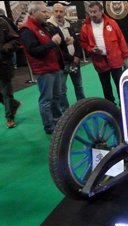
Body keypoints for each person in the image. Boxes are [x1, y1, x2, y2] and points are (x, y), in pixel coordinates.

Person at [20, 1, 64, 134]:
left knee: (57, 97)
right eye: (44, 12)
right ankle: (49, 126)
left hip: (54, 67)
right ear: (34, 12)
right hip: (44, 70)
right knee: (46, 99)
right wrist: (52, 43)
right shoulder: (27, 29)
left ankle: (58, 121)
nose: (47, 14)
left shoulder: (44, 26)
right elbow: (34, 51)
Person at [79, 1, 128, 106]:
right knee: (106, 86)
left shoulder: (112, 23)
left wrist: (125, 57)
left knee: (120, 84)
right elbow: (83, 42)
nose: (92, 14)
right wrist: (91, 49)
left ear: (101, 11)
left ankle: (124, 105)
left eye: (95, 12)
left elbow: (121, 40)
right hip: (100, 61)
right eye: (90, 12)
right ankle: (110, 106)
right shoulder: (86, 27)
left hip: (115, 59)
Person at [48, 3, 86, 112]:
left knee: (78, 85)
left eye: (61, 11)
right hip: (62, 63)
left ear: (64, 12)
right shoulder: (50, 26)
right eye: (56, 11)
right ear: (53, 12)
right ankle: (66, 111)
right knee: (62, 90)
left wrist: (77, 56)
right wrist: (71, 58)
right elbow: (56, 48)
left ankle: (82, 106)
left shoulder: (69, 24)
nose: (59, 14)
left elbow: (76, 42)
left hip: (75, 62)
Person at [0, 16, 22, 128]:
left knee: (6, 92)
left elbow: (16, 39)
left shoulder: (3, 23)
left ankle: (9, 117)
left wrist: (4, 49)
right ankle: (14, 104)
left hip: (3, 64)